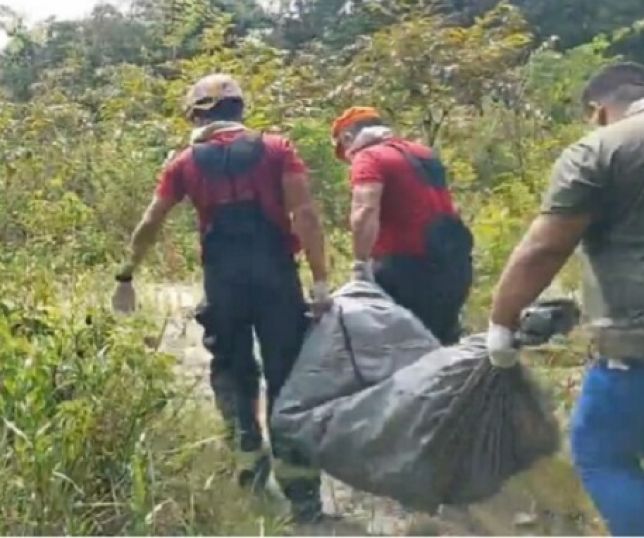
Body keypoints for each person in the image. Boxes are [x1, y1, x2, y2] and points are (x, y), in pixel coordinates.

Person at [111, 73, 329, 522]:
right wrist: (321, 280)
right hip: (277, 279)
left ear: (196, 115)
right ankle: (304, 499)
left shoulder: (185, 163)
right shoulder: (277, 148)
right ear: (240, 109)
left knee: (231, 370)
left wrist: (126, 275)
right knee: (288, 377)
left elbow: (152, 221)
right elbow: (303, 213)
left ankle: (249, 464)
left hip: (223, 282)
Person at [487, 62, 644, 536]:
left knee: (601, 451)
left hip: (636, 350)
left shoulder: (602, 149)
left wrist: (501, 323)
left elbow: (546, 247)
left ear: (598, 112)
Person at [332, 107, 473, 344]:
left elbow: (365, 210)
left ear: (347, 138)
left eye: (343, 151)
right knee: (442, 343)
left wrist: (360, 265)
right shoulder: (423, 152)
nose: (347, 158)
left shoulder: (369, 157)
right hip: (454, 264)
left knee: (402, 347)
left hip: (407, 270)